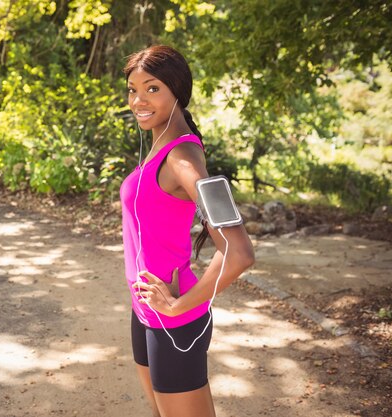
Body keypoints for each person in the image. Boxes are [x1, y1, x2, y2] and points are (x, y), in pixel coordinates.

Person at [120, 45, 255, 417]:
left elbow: (239, 251)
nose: (138, 100)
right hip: (145, 310)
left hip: (174, 320)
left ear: (177, 90)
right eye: (133, 89)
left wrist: (179, 304)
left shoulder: (182, 158)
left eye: (152, 88)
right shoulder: (159, 146)